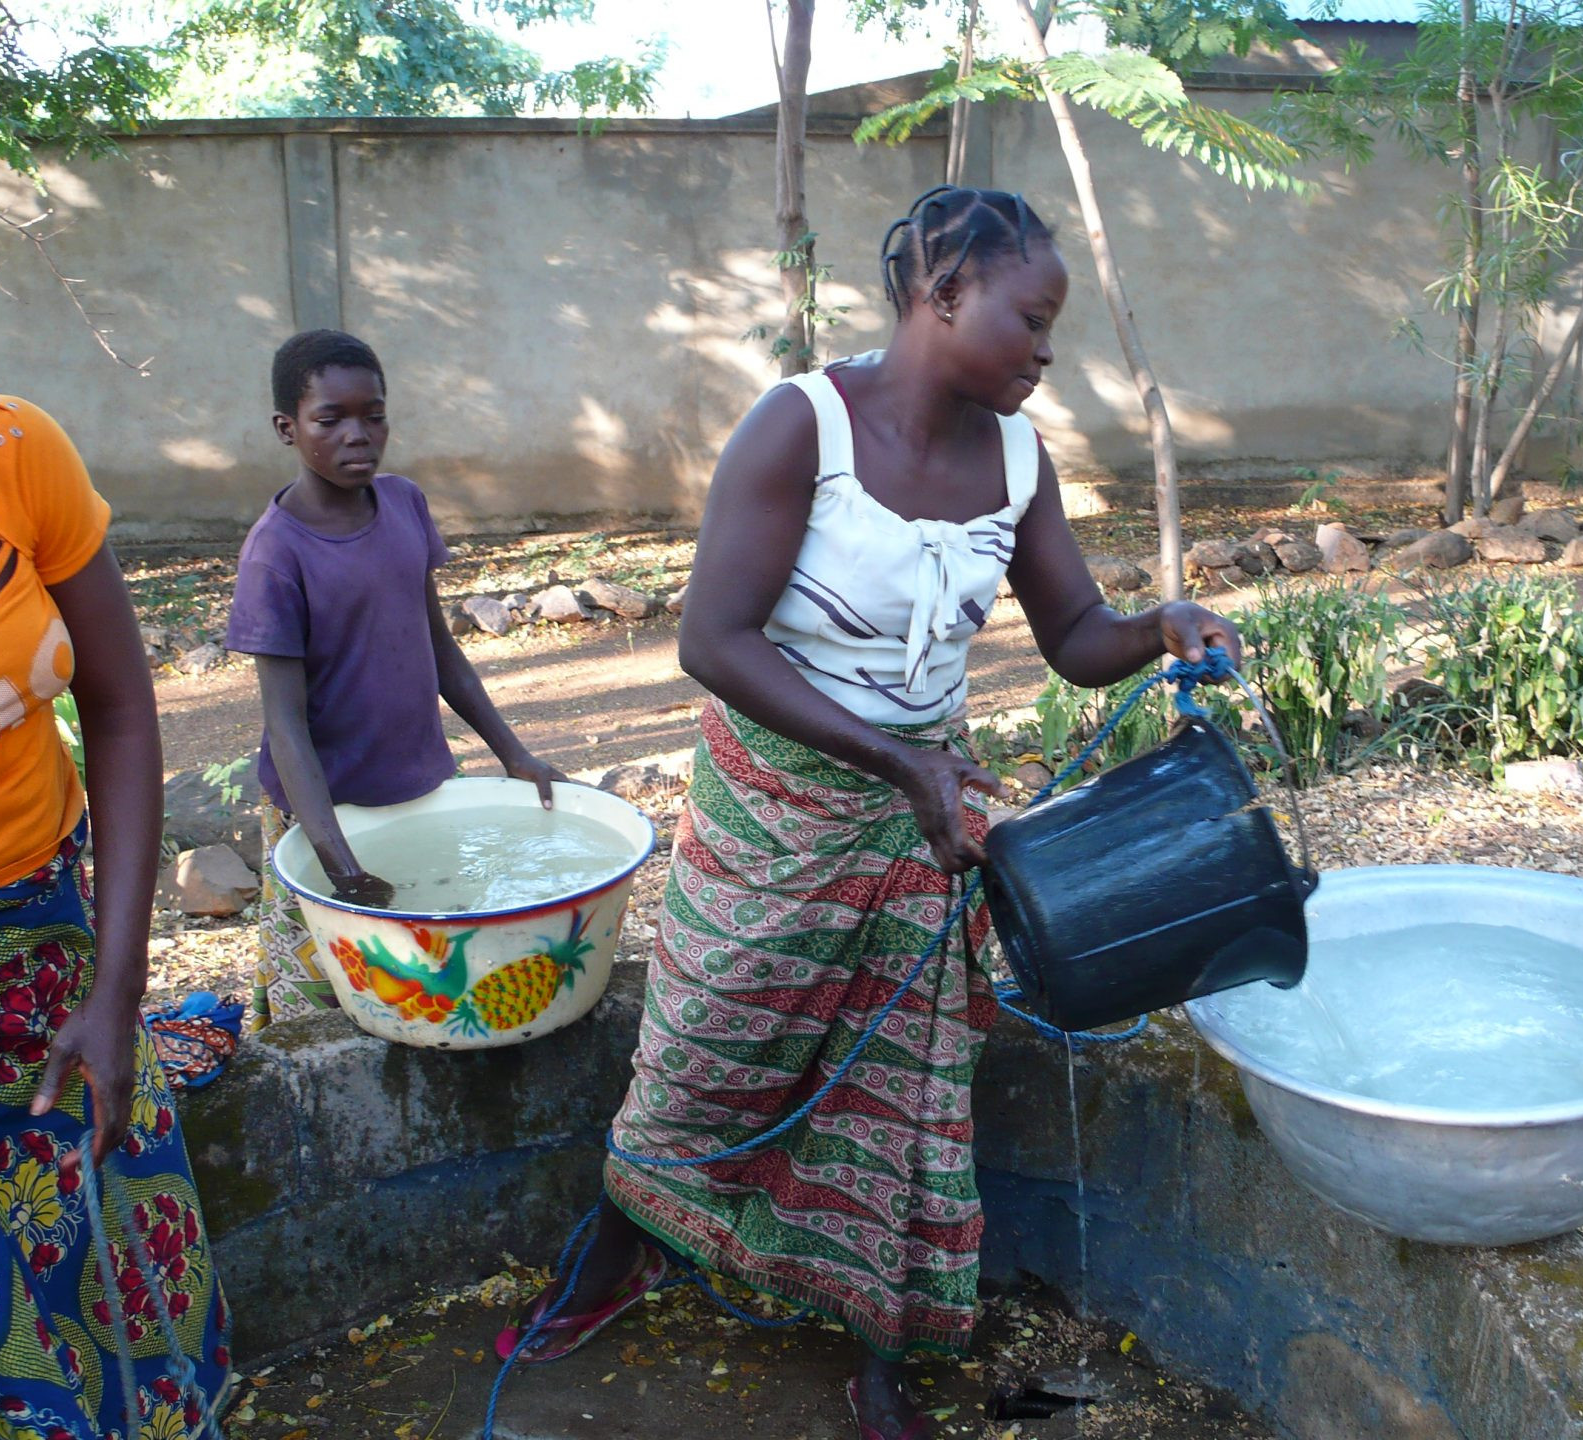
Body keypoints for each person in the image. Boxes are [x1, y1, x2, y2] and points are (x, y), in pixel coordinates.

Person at [501, 186, 1242, 1439]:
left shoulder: (1018, 457)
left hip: (923, 813)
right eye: (1033, 320)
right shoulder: (802, 428)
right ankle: (625, 1239)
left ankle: (878, 1341)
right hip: (779, 801)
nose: (1049, 352)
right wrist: (902, 771)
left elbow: (1072, 636)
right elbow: (713, 641)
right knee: (706, 1040)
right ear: (943, 296)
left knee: (903, 1086)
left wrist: (1160, 623)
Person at [0, 219, 230, 1436]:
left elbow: (117, 712)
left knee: (123, 1261)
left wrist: (119, 993)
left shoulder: (9, 453)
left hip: (58, 930)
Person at [225, 330, 566, 1030]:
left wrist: (514, 753)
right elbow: (284, 723)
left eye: (373, 415)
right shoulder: (276, 553)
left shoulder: (405, 504)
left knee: (426, 975)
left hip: (421, 787)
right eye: (331, 419)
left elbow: (439, 649)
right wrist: (339, 866)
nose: (359, 435)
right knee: (318, 992)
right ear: (287, 428)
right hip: (324, 812)